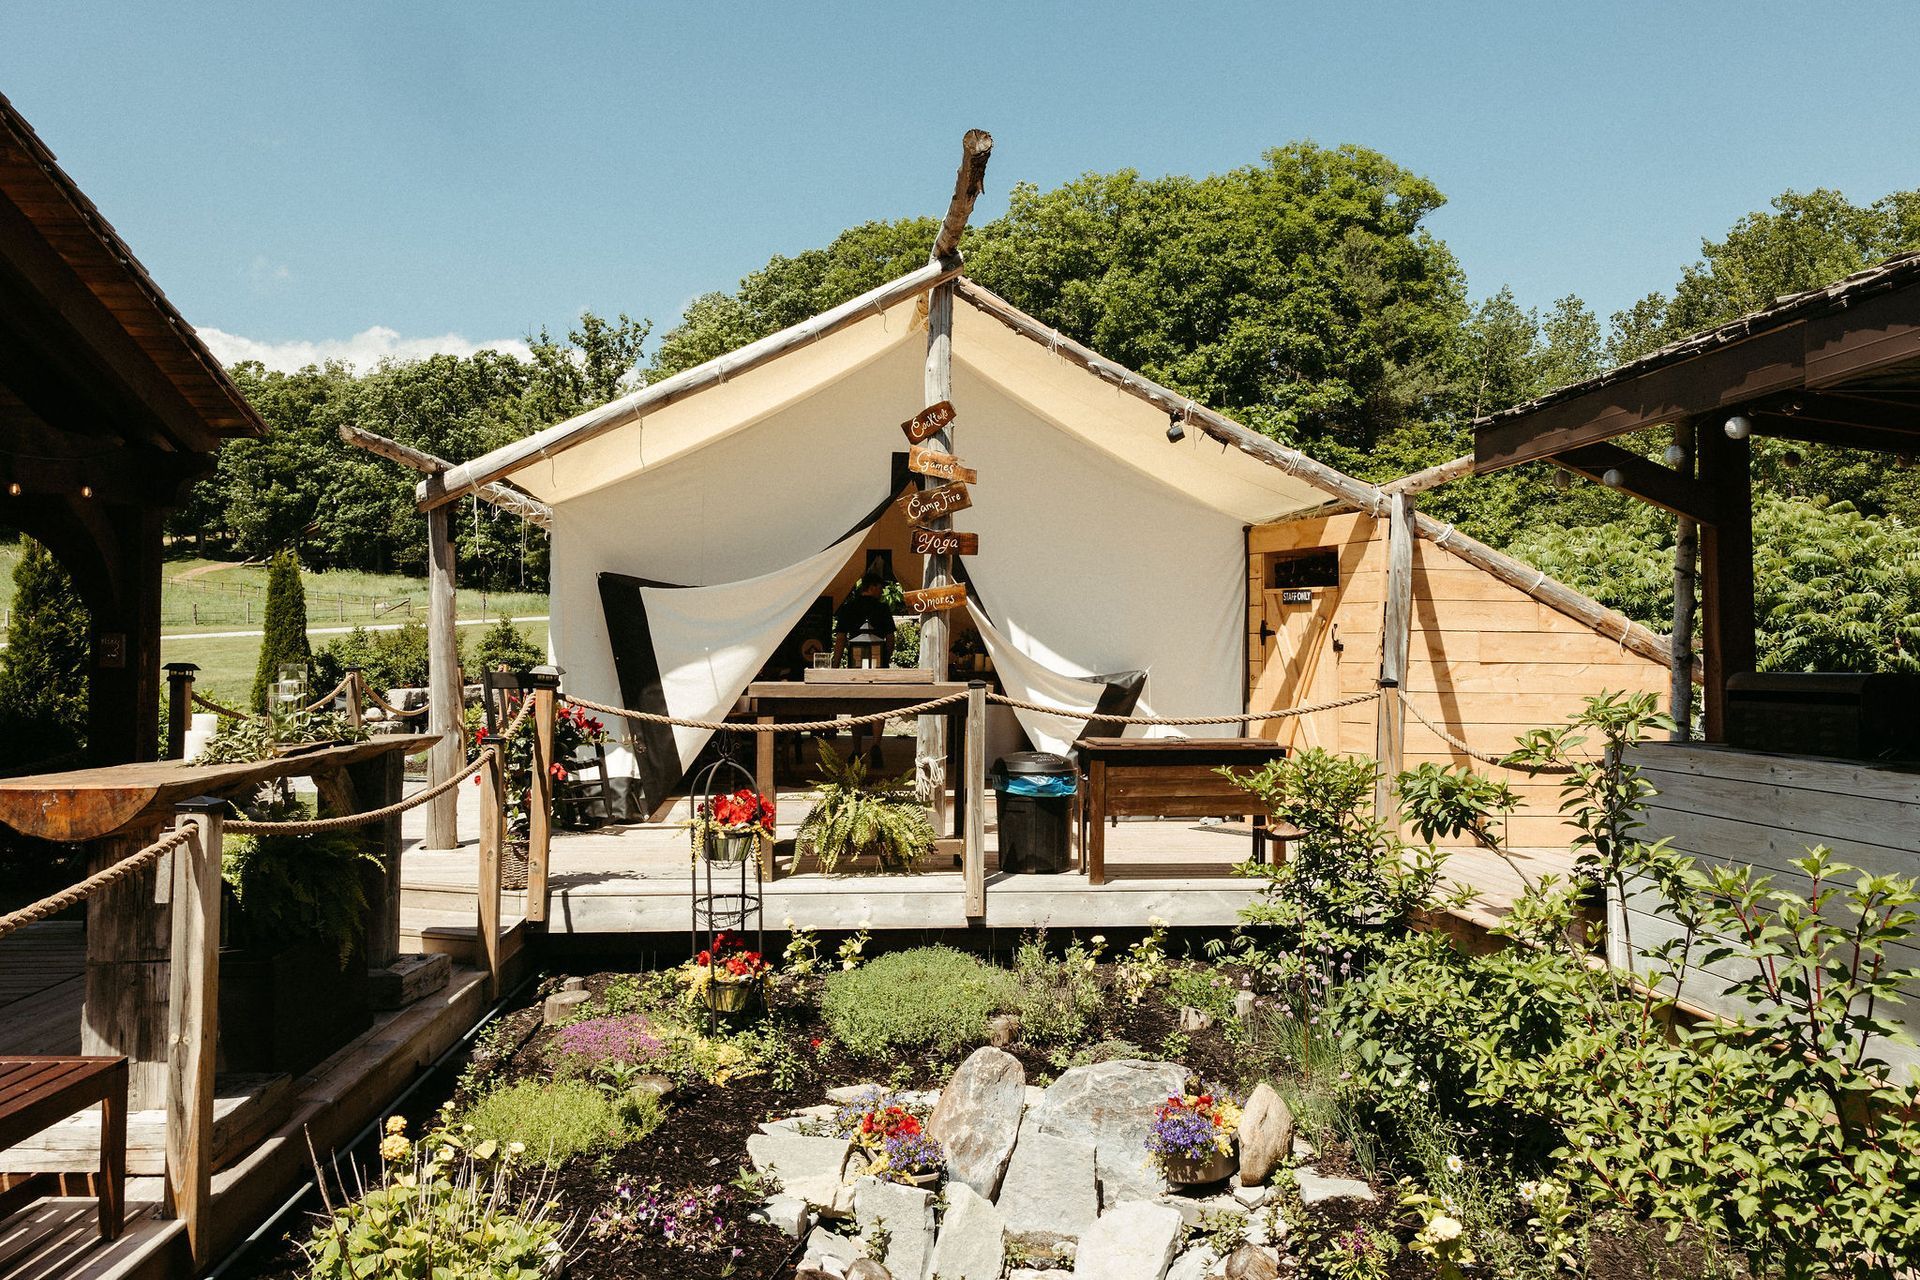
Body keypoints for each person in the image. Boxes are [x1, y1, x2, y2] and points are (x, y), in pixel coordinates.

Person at [831, 575, 898, 764]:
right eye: (880, 587)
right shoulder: (882, 608)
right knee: (879, 706)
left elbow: (841, 638)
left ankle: (857, 749)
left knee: (857, 707)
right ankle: (876, 745)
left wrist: (836, 664)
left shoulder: (849, 607)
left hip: (855, 663)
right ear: (871, 587)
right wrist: (884, 658)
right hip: (879, 664)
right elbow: (890, 639)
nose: (882, 591)